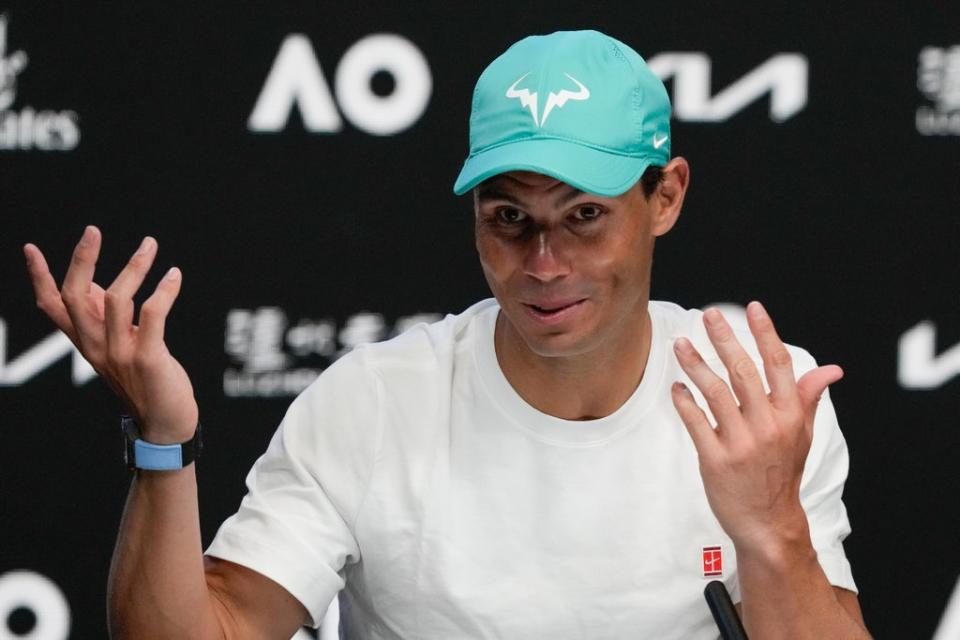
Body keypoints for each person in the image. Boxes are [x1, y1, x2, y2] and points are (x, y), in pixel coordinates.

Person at [23, 30, 870, 639]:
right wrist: (165, 444)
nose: (544, 262)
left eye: (583, 216)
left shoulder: (757, 397)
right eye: (510, 218)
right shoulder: (374, 403)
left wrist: (770, 532)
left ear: (667, 197)